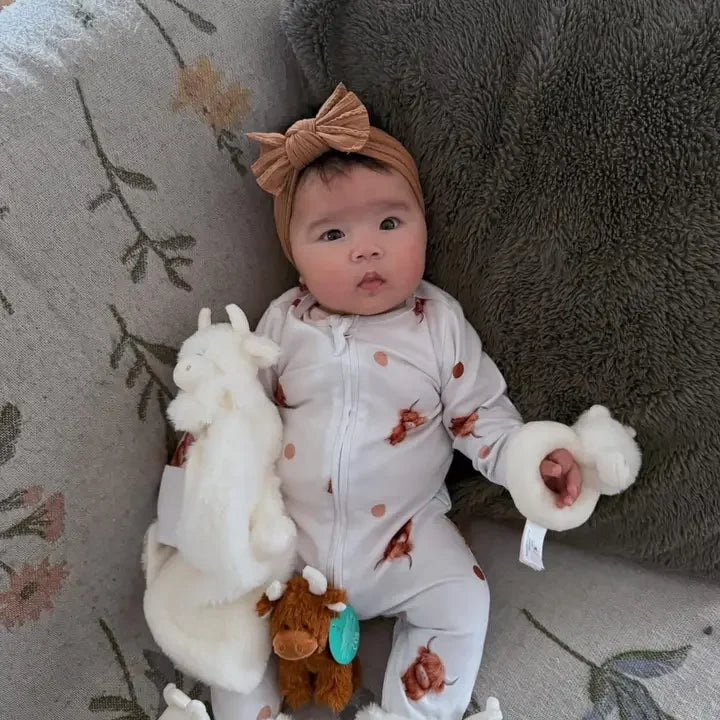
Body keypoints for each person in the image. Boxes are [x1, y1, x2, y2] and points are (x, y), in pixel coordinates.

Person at [168, 84, 582, 720]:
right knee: (229, 606)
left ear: (424, 228)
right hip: (290, 538)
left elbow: (481, 415)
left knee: (463, 599)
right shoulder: (283, 322)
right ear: (296, 259)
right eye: (333, 233)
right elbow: (242, 411)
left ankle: (413, 712)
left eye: (390, 223)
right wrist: (203, 448)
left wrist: (531, 461)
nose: (366, 248)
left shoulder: (437, 322)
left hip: (406, 535)